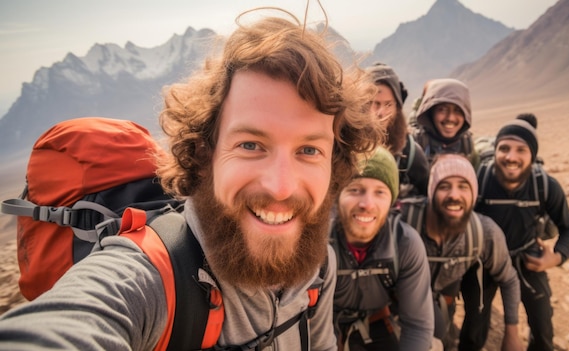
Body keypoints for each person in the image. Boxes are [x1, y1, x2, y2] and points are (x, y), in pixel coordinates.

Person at [0, 11, 386, 351]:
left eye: (309, 150)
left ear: (335, 166)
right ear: (205, 155)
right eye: (251, 144)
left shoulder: (318, 261)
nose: (281, 187)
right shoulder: (150, 276)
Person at [459, 119, 569, 351]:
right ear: (495, 152)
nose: (511, 157)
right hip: (484, 263)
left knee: (542, 328)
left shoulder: (544, 185)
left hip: (527, 260)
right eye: (504, 148)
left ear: (532, 156)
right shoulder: (479, 180)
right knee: (473, 331)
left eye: (521, 150)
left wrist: (556, 257)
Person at [407, 154, 522, 351]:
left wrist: (512, 333)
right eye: (444, 186)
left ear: (473, 194)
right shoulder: (405, 222)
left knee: (444, 336)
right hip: (402, 302)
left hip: (444, 297)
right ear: (431, 192)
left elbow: (508, 278)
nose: (454, 195)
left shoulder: (485, 233)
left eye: (463, 186)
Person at [331, 146, 434, 351]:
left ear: (392, 202)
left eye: (380, 192)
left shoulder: (404, 243)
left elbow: (418, 326)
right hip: (325, 325)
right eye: (355, 189)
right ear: (337, 195)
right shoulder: (317, 245)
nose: (367, 204)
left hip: (377, 322)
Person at [365, 62, 430, 198]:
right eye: (374, 103)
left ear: (397, 107)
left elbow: (426, 198)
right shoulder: (343, 145)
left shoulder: (410, 154)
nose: (381, 112)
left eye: (388, 104)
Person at [410, 78, 480, 168]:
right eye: (442, 109)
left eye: (458, 110)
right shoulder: (415, 146)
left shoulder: (467, 146)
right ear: (431, 112)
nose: (450, 118)